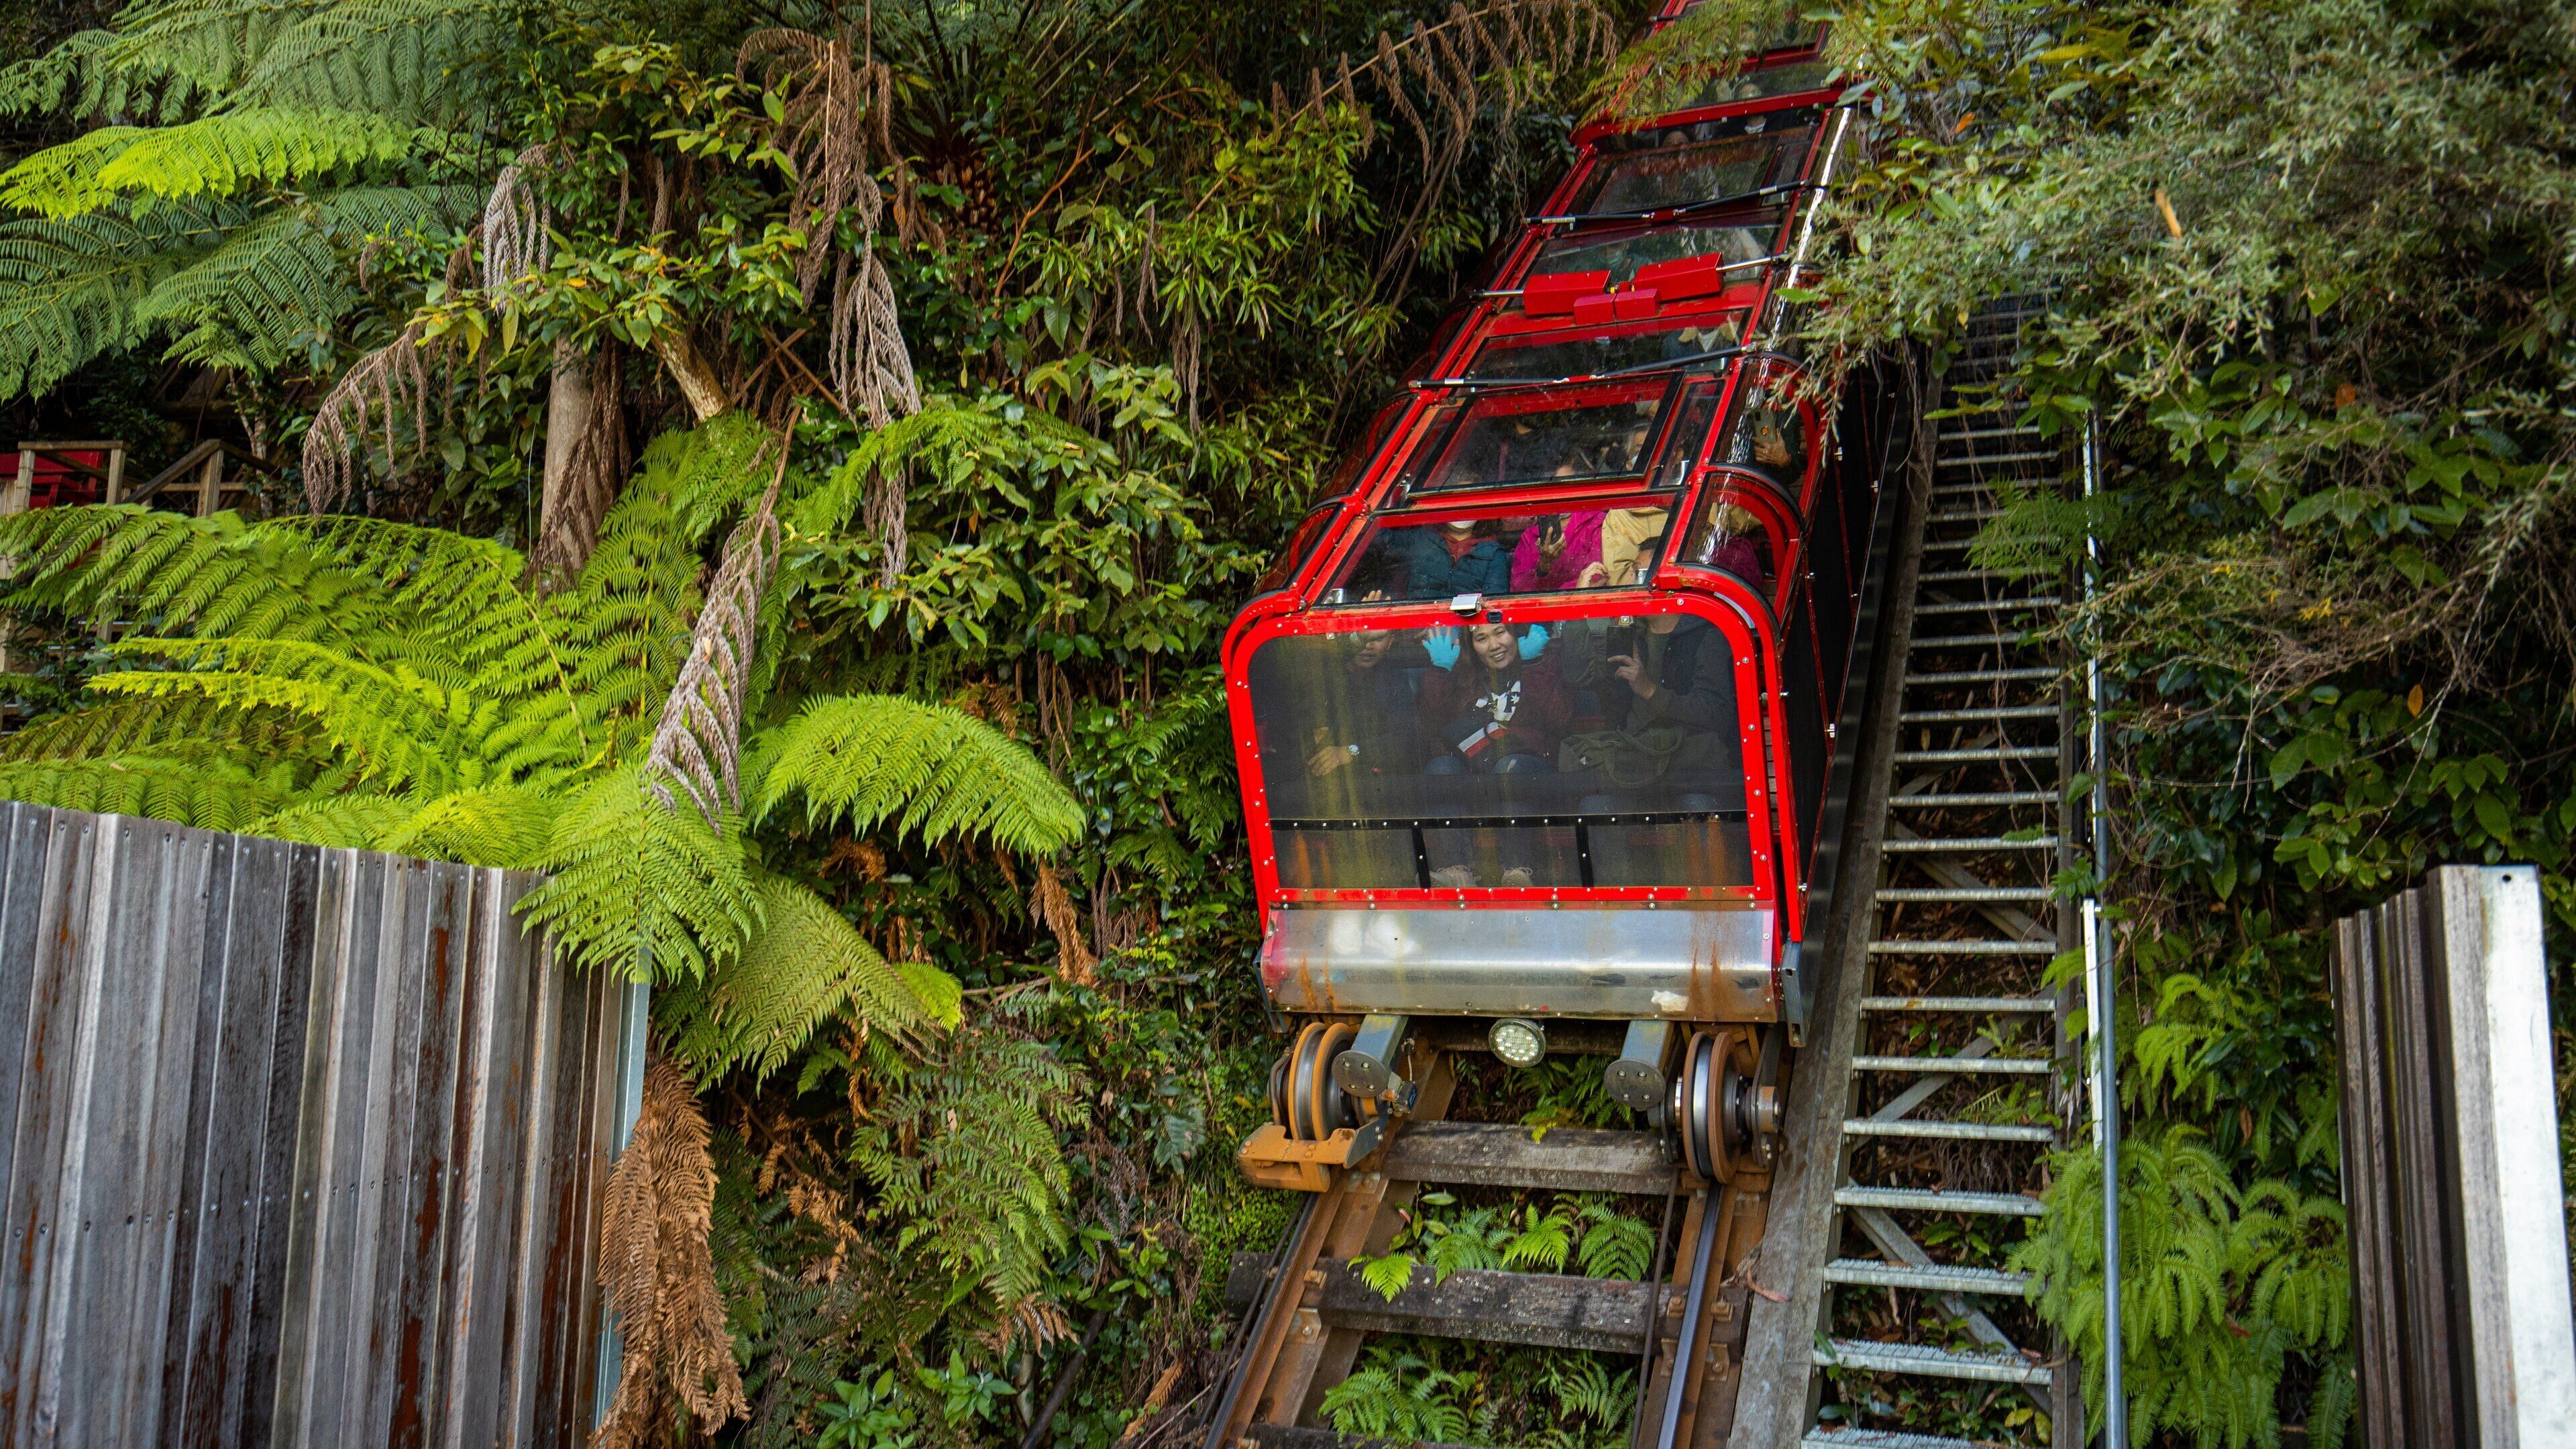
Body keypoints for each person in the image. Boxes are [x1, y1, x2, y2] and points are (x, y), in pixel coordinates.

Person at [1417, 621, 1570, 888]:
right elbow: (1432, 727)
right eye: (1481, 638)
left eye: (1501, 633)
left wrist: (1533, 665)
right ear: (1472, 647)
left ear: (1516, 635)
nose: (1494, 645)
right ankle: (1457, 872)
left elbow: (1559, 721)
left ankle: (1517, 871)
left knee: (1510, 767)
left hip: (1531, 779)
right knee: (1442, 767)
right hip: (1479, 779)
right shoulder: (1465, 678)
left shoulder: (1542, 666)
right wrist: (1440, 671)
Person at [1387, 518, 1513, 598]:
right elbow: (1380, 539)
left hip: (1468, 631)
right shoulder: (1421, 539)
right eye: (1458, 501)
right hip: (1420, 627)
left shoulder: (1494, 552)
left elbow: (1494, 600)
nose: (1463, 509)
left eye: (1468, 502)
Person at [1509, 510, 1608, 592]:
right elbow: (1519, 592)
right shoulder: (1530, 537)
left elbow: (1599, 577)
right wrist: (1543, 566)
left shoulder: (1596, 522)